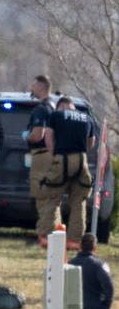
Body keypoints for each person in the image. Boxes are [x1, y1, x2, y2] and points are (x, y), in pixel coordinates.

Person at [39, 96, 96, 247]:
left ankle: (47, 237)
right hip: (81, 160)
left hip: (62, 158)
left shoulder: (56, 115)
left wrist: (54, 155)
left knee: (53, 197)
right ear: (72, 106)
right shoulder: (87, 117)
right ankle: (74, 241)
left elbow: (48, 136)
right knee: (79, 201)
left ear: (61, 106)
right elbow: (91, 142)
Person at [27, 75, 58, 242]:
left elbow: (38, 134)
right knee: (51, 196)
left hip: (41, 155)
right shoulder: (53, 106)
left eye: (33, 86)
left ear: (41, 87)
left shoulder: (41, 109)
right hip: (52, 155)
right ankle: (52, 232)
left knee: (41, 195)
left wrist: (27, 136)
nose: (31, 89)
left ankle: (44, 234)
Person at [69, 233, 113, 309]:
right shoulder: (99, 265)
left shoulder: (69, 265)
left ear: (80, 246)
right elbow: (109, 289)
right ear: (95, 247)